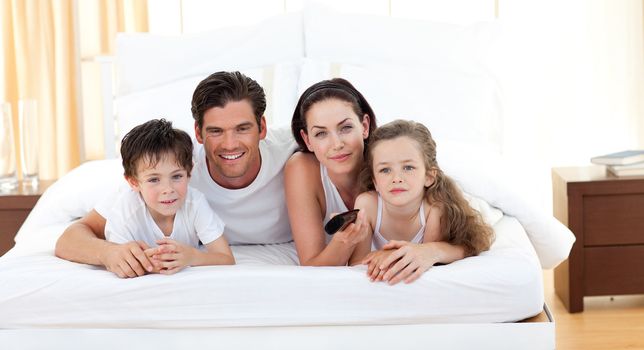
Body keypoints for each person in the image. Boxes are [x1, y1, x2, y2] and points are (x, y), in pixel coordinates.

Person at [55, 71, 297, 278]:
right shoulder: (172, 166)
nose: (230, 144)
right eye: (215, 131)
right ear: (198, 134)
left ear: (262, 127)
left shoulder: (298, 147)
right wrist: (107, 252)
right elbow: (71, 237)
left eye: (242, 129)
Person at [352, 119, 494, 285]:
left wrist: (389, 257)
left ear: (429, 176)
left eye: (408, 168)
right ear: (375, 181)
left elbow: (426, 259)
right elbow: (357, 264)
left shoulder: (434, 207)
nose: (396, 178)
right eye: (385, 170)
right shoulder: (366, 205)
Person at [104, 119, 234, 274]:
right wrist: (152, 265)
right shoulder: (124, 211)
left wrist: (192, 257)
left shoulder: (195, 202)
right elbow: (121, 263)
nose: (168, 189)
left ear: (189, 172)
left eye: (177, 176)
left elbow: (226, 258)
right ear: (134, 182)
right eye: (154, 179)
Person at [285, 78, 376, 266]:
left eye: (346, 128)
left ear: (364, 126)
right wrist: (344, 242)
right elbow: (311, 264)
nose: (336, 144)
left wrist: (429, 251)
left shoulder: (389, 158)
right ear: (307, 139)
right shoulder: (302, 169)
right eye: (321, 133)